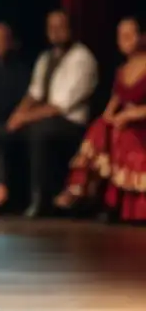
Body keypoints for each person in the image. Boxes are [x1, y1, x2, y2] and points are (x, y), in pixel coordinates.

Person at [0, 9, 98, 217]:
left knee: (39, 133)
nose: (55, 31)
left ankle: (41, 200)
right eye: (51, 27)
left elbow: (60, 105)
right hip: (43, 119)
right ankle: (1, 188)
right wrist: (17, 115)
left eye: (60, 26)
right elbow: (34, 94)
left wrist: (26, 118)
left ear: (70, 29)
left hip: (70, 123)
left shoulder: (83, 58)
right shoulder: (45, 58)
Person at [55, 16, 146, 221]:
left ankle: (87, 191)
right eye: (120, 36)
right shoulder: (122, 70)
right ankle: (86, 189)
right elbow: (112, 106)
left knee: (122, 135)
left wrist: (130, 114)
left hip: (141, 125)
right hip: (124, 124)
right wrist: (109, 120)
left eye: (129, 35)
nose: (124, 40)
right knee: (102, 125)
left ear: (142, 37)